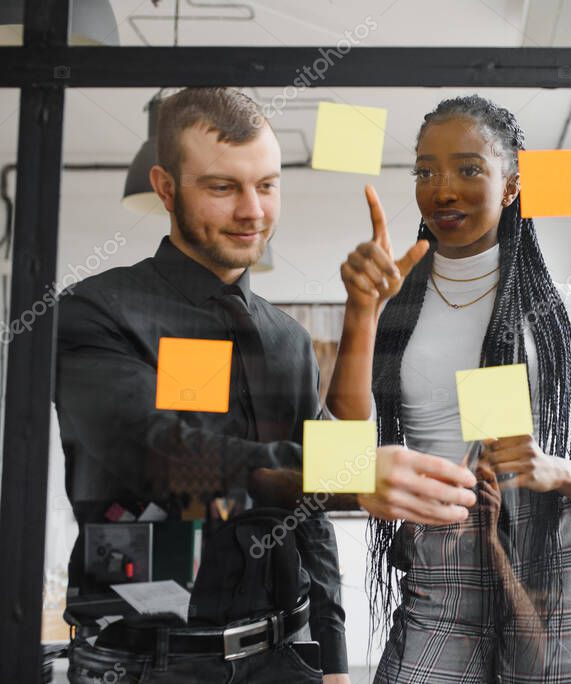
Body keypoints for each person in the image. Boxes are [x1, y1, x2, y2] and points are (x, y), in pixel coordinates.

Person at [55, 87, 477, 684]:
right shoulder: (98, 311)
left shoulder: (286, 339)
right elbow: (163, 458)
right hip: (142, 664)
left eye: (268, 184)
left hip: (281, 659)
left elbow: (310, 514)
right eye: (223, 187)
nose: (253, 210)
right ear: (166, 187)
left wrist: (331, 658)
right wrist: (346, 480)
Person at [327, 95, 571, 683]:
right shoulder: (391, 312)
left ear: (510, 186)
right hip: (439, 573)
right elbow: (339, 460)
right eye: (426, 170)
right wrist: (359, 314)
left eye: (469, 169)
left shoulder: (567, 316)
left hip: (555, 578)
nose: (443, 188)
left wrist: (559, 472)